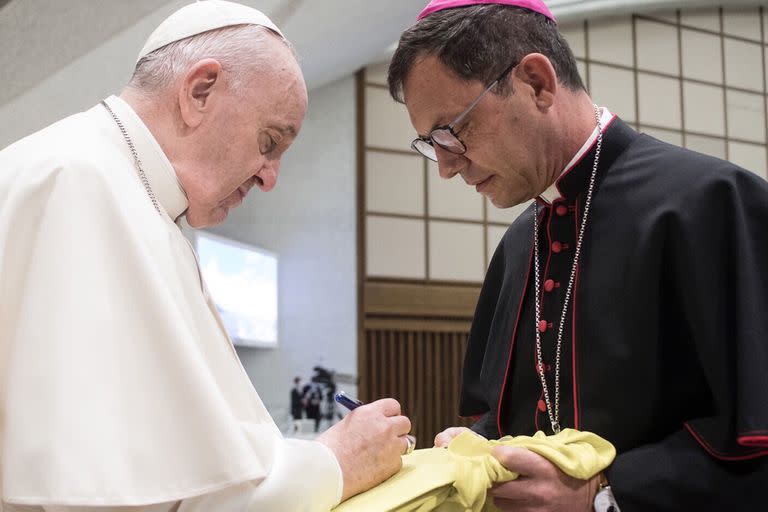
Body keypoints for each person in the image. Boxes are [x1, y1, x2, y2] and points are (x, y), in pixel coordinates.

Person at [0, 1, 411, 511]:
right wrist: (335, 463)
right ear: (199, 92)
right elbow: (136, 498)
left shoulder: (130, 196)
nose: (270, 177)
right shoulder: (76, 187)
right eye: (270, 141)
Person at [387, 0, 768, 510]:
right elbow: (508, 414)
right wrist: (478, 447)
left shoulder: (713, 202)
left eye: (451, 131)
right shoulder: (520, 244)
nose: (447, 168)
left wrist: (607, 494)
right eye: (431, 144)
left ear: (537, 83)